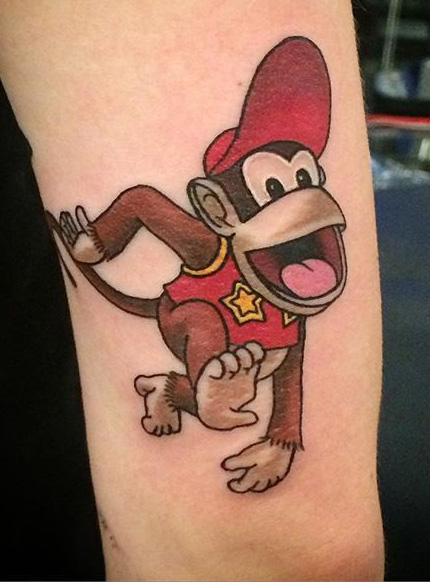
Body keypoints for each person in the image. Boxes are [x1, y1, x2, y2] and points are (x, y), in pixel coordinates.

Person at [0, 2, 384, 580]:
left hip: (75, 502)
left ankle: (170, 391)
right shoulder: (211, 247)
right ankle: (208, 387)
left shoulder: (291, 281)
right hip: (187, 318)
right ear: (218, 207)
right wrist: (98, 243)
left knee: (266, 354)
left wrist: (283, 438)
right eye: (274, 187)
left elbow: (292, 362)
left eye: (305, 178)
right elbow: (143, 202)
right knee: (207, 325)